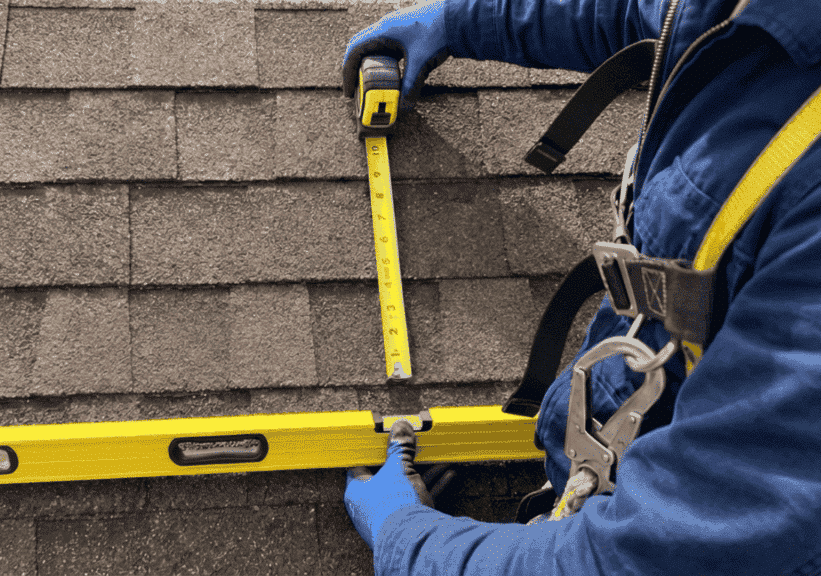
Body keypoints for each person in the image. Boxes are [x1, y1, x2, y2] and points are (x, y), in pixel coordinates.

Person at [341, 0, 821, 574]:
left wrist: (405, 537)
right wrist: (459, 22)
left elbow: (647, 557)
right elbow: (655, 15)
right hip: (605, 449)